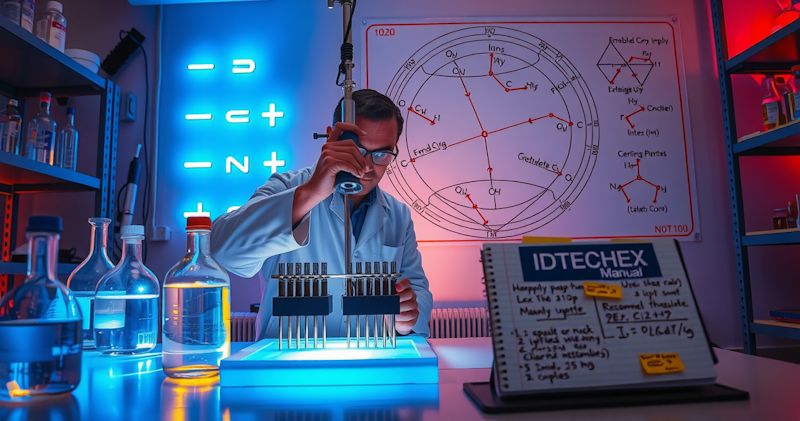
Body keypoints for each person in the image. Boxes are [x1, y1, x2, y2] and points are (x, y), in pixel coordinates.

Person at [210, 89, 432, 340]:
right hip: (289, 359)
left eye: (381, 154)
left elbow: (417, 290)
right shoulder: (288, 187)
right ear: (332, 139)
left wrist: (406, 319)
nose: (368, 166)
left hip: (371, 357)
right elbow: (222, 250)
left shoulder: (398, 215)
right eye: (358, 150)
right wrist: (311, 192)